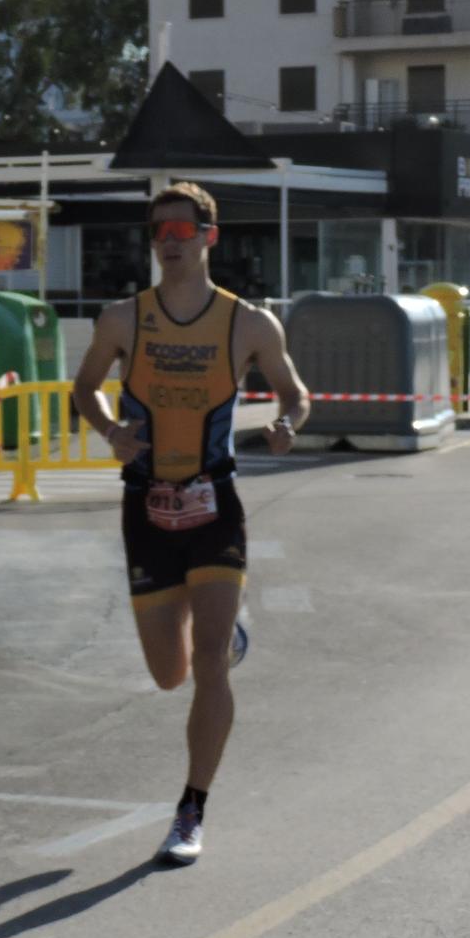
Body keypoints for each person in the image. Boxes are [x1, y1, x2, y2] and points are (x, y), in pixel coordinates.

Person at [71, 183, 308, 867]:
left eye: (182, 227)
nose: (169, 238)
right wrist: (111, 430)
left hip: (216, 504)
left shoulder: (250, 323)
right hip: (146, 506)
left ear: (210, 235)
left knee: (206, 663)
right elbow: (82, 388)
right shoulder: (122, 319)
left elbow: (295, 393)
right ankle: (228, 636)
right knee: (168, 674)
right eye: (158, 229)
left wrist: (290, 423)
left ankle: (191, 809)